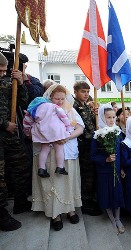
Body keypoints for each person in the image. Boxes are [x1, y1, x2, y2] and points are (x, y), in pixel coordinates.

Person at [31, 84, 84, 231]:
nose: (60, 102)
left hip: (67, 150)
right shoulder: (43, 109)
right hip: (49, 152)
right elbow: (34, 128)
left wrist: (66, 137)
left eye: (62, 98)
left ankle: (70, 210)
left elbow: (80, 128)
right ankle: (55, 214)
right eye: (57, 99)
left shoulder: (70, 110)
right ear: (50, 97)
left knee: (67, 180)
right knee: (52, 182)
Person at [0, 52, 31, 231]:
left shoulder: (6, 83)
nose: (2, 74)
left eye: (4, 71)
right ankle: (2, 213)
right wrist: (4, 124)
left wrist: (20, 84)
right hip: (3, 132)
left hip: (10, 137)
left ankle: (20, 201)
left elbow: (23, 102)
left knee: (21, 166)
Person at [91, 104, 125, 234]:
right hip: (104, 171)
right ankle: (111, 218)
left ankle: (118, 219)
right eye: (108, 117)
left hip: (116, 170)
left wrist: (121, 167)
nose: (111, 120)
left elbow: (121, 153)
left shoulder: (118, 133)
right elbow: (93, 156)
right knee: (106, 194)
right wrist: (105, 159)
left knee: (116, 193)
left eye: (113, 117)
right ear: (102, 117)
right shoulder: (97, 135)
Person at [73, 81, 102, 216]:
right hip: (83, 144)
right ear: (76, 92)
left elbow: (91, 123)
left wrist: (94, 113)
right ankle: (86, 203)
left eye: (87, 92)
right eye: (83, 91)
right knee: (86, 175)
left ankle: (90, 199)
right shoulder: (73, 106)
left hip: (91, 144)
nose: (86, 94)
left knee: (91, 173)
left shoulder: (85, 106)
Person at [23, 96, 71, 177]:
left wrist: (28, 133)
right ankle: (60, 167)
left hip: (42, 131)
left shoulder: (32, 110)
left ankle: (41, 169)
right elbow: (63, 117)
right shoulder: (53, 106)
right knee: (59, 148)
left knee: (44, 149)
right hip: (56, 130)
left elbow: (26, 123)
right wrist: (68, 129)